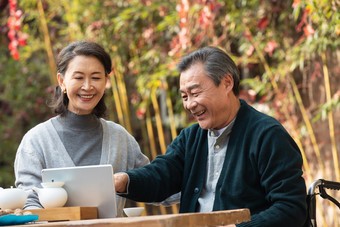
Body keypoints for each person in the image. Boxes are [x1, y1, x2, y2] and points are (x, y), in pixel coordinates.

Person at [114, 46, 307, 226]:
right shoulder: (190, 138)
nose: (189, 104)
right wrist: (124, 181)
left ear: (227, 83)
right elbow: (161, 175)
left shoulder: (267, 135)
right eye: (184, 96)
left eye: (195, 93)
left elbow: (291, 208)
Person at [14, 41, 149, 217]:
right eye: (78, 77)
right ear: (62, 81)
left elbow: (154, 183)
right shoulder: (36, 141)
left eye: (96, 77)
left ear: (106, 81)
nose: (87, 86)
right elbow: (28, 203)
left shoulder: (120, 138)